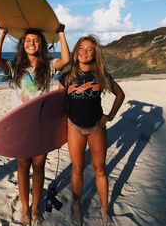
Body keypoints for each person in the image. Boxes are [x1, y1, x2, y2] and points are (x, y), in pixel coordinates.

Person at [0, 25, 70, 226]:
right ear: (22, 45)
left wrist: (61, 33)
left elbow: (67, 60)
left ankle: (35, 208)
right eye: (27, 40)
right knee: (23, 166)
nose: (31, 43)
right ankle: (25, 209)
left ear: (41, 44)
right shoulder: (15, 66)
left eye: (35, 40)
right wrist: (2, 35)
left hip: (42, 125)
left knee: (39, 167)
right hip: (21, 125)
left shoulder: (49, 66)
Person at [58, 35, 125, 226]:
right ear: (76, 51)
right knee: (77, 169)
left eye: (90, 49)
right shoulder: (67, 76)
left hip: (96, 126)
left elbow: (120, 94)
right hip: (74, 127)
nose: (85, 52)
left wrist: (110, 116)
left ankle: (104, 211)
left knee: (100, 169)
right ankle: (77, 207)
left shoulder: (100, 75)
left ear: (95, 53)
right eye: (81, 48)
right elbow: (58, 104)